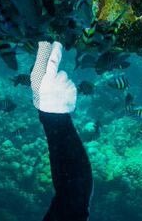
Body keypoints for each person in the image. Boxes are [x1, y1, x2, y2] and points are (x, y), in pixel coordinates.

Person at [31, 41, 91, 221]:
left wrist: (54, 116)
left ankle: (47, 41)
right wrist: (55, 117)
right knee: (39, 82)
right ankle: (49, 41)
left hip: (54, 116)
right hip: (54, 116)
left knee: (38, 82)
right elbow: (73, 201)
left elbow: (72, 199)